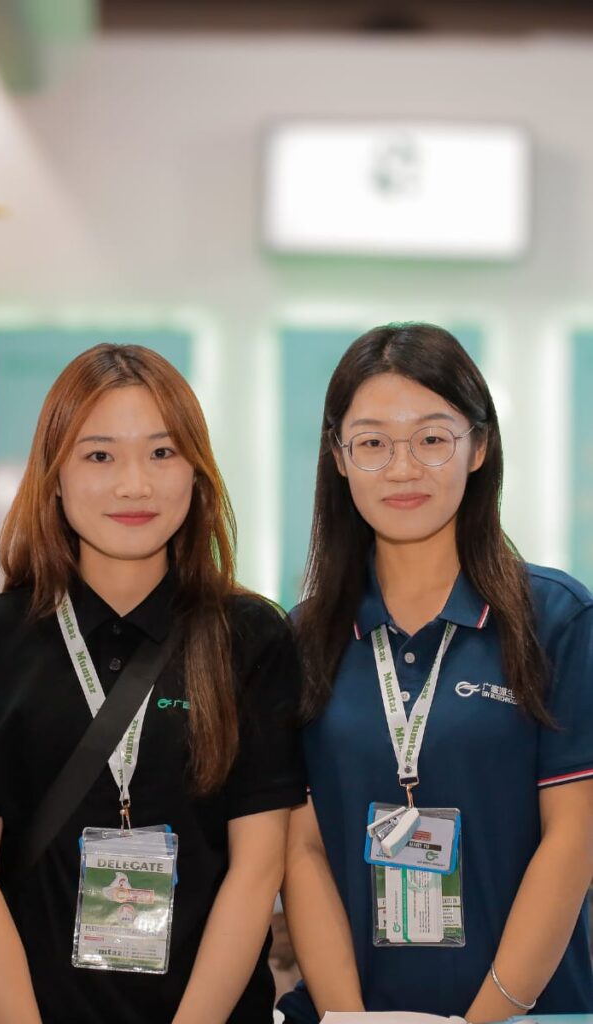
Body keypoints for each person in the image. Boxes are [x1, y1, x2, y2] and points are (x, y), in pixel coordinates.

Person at [0, 343, 306, 1024]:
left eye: (161, 452)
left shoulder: (252, 637)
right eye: (99, 456)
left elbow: (257, 869)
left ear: (198, 472)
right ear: (53, 476)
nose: (134, 485)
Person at [278, 323, 593, 1022]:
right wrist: (350, 1018)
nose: (401, 468)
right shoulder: (302, 637)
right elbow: (301, 847)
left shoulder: (557, 619)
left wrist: (485, 1019)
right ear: (338, 456)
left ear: (478, 447)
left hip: (529, 1014)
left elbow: (573, 841)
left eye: (431, 438)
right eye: (372, 442)